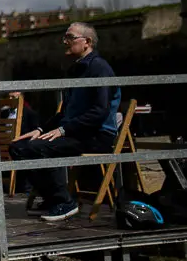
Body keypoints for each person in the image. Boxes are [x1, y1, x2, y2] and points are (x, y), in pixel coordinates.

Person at [9, 22, 121, 222]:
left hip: (95, 135)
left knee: (38, 148)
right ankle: (52, 198)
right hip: (75, 132)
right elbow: (64, 112)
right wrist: (41, 129)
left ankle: (64, 202)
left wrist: (63, 130)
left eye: (70, 37)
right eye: (65, 37)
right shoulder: (76, 70)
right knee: (18, 147)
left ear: (87, 42)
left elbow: (100, 111)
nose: (65, 41)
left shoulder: (99, 68)